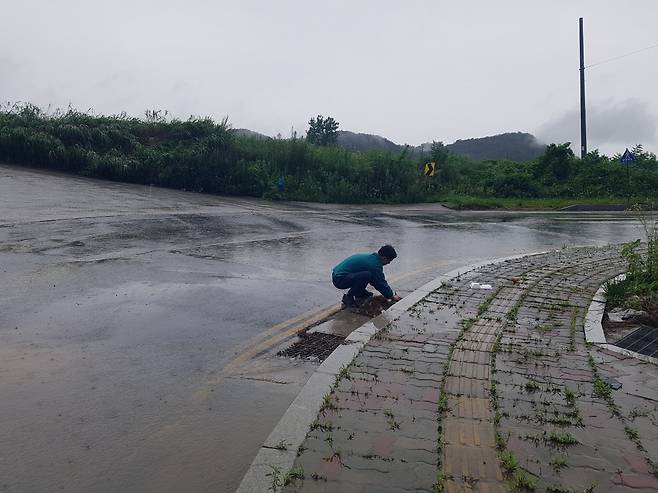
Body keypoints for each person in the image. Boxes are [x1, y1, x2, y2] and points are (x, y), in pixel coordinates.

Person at [332, 245, 402, 307]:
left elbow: (374, 281)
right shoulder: (374, 265)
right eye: (389, 261)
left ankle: (360, 293)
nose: (389, 263)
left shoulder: (372, 259)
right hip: (339, 279)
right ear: (384, 258)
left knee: (368, 276)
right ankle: (348, 298)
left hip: (340, 275)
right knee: (366, 275)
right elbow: (380, 283)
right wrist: (391, 296)